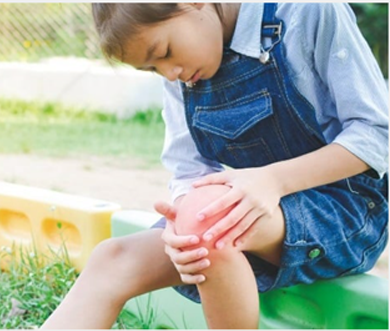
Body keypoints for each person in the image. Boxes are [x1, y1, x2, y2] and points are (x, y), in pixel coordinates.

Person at [41, 3, 388, 329]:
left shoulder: (306, 11)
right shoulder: (181, 75)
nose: (170, 73)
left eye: (163, 53)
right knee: (113, 259)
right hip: (248, 220)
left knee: (210, 223)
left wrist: (273, 182)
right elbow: (189, 172)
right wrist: (180, 227)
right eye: (152, 69)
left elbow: (378, 134)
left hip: (347, 209)